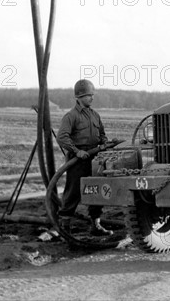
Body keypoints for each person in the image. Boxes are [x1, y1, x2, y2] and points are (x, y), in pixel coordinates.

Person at [56, 79, 115, 236]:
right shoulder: (71, 116)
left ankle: (95, 225)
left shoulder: (95, 115)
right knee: (73, 191)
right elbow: (62, 137)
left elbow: (102, 135)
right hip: (78, 161)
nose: (92, 98)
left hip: (95, 159)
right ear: (79, 96)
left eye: (92, 95)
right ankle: (65, 228)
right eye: (89, 95)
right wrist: (76, 151)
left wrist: (105, 143)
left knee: (97, 189)